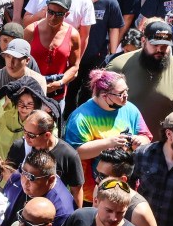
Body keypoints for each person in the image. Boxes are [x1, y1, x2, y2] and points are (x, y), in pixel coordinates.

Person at [63, 69, 152, 203]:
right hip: (91, 193)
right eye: (120, 93)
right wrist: (109, 143)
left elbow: (146, 136)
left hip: (125, 188)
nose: (126, 96)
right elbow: (75, 152)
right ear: (104, 95)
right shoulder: (81, 117)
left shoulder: (130, 109)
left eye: (126, 91)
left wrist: (139, 141)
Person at [106, 20, 173, 135]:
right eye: (155, 45)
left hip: (161, 147)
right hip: (121, 143)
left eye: (164, 46)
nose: (159, 50)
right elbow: (100, 104)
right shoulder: (118, 66)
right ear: (144, 41)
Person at [9, 110, 85, 202]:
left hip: (52, 208)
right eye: (24, 131)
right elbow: (9, 177)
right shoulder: (19, 147)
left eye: (31, 135)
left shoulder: (69, 155)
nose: (26, 137)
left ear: (47, 135)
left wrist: (76, 215)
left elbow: (76, 191)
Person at [23, 0, 81, 102]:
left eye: (59, 14)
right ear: (46, 9)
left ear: (67, 14)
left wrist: (59, 83)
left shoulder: (73, 35)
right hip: (30, 91)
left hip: (56, 95)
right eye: (50, 12)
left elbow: (74, 66)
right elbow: (17, 60)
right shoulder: (31, 31)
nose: (53, 17)